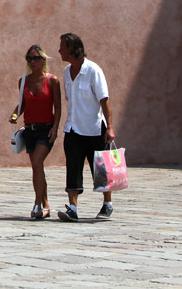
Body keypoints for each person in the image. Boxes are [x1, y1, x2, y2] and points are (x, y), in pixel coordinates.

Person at [56, 32, 116, 221]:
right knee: (73, 169)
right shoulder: (67, 72)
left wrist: (110, 127)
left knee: (100, 170)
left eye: (62, 47)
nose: (59, 51)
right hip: (73, 129)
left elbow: (105, 101)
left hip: (94, 129)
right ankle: (73, 208)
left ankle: (107, 204)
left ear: (72, 49)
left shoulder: (93, 70)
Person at [8, 44, 61, 220]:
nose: (32, 62)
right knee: (37, 167)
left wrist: (55, 127)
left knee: (37, 163)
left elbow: (58, 107)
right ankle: (45, 205)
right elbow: (22, 103)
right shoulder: (23, 81)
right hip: (30, 129)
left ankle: (37, 204)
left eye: (36, 58)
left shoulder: (52, 80)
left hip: (46, 129)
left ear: (43, 60)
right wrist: (15, 114)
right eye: (29, 58)